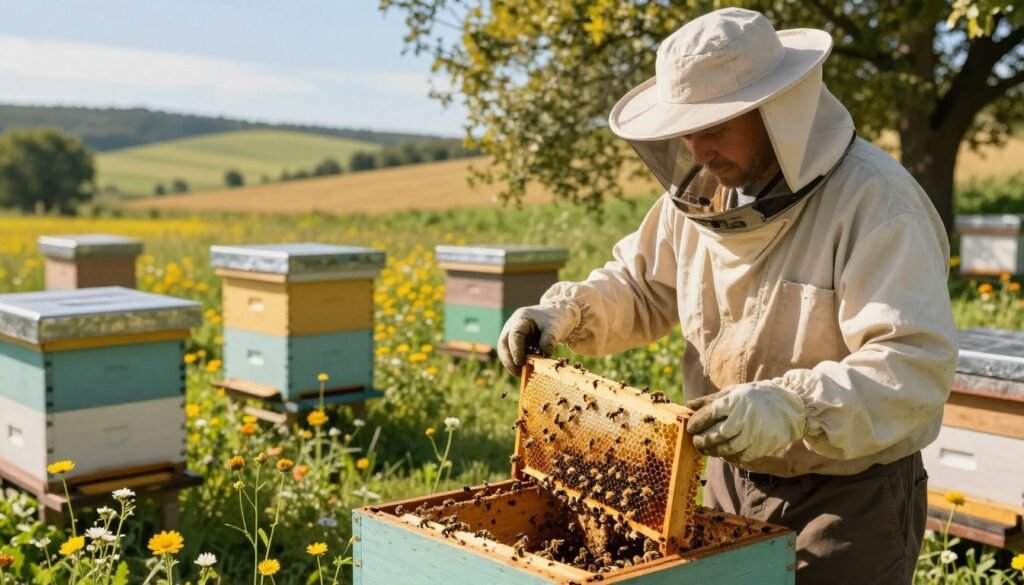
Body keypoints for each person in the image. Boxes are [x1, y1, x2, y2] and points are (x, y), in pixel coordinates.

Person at [497, 7, 957, 584]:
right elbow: (640, 286)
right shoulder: (703, 198)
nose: (696, 149)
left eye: (713, 127)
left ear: (777, 112)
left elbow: (911, 366)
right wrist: (564, 312)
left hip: (846, 493)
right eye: (684, 131)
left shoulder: (877, 204)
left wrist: (795, 407)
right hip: (724, 472)